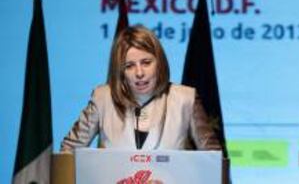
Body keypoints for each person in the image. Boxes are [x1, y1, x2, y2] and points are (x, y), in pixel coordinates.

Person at [60, 25, 221, 152]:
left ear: (159, 63)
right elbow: (67, 152)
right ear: (120, 71)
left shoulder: (186, 99)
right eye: (129, 66)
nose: (139, 73)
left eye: (146, 63)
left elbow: (215, 160)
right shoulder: (102, 98)